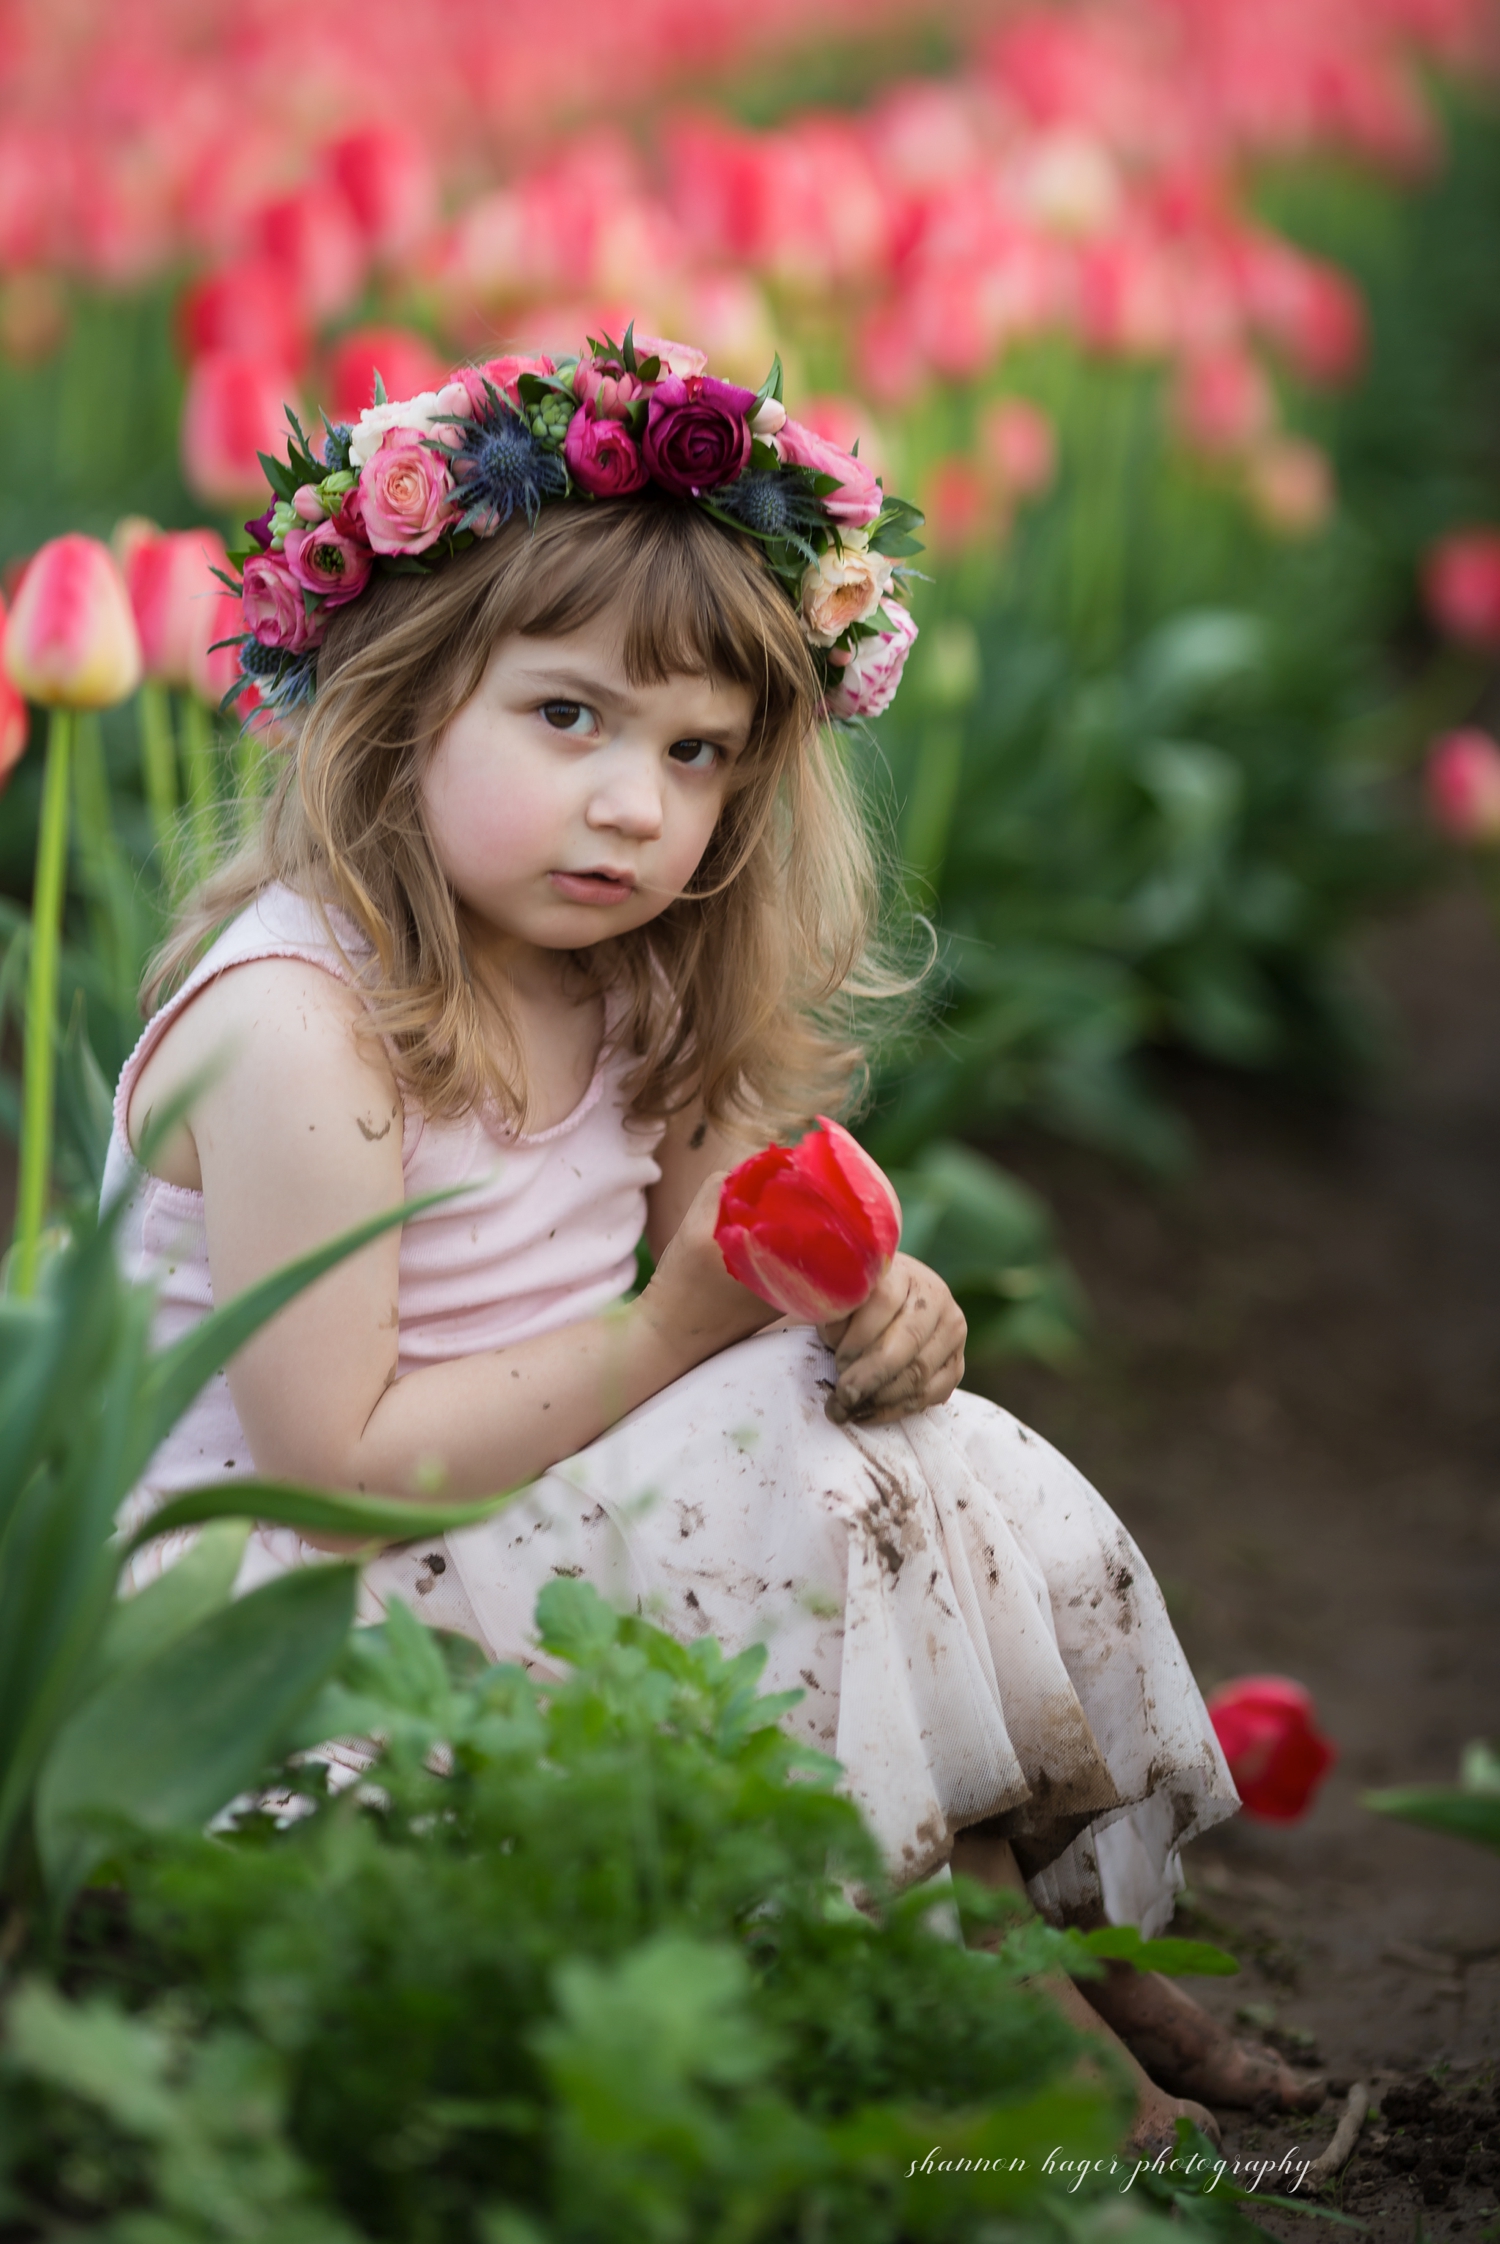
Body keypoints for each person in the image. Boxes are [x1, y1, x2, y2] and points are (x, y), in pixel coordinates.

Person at [105, 332, 1320, 2149]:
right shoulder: (301, 1022)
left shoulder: (624, 971)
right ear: (408, 693)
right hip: (275, 1614)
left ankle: (1005, 1908)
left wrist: (879, 1309)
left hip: (498, 1528)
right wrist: (687, 1330)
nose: (633, 804)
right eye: (570, 717)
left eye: (698, 757)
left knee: (900, 1432)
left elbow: (752, 1278)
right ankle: (979, 1983)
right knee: (797, 1466)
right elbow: (336, 1465)